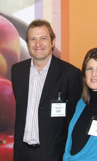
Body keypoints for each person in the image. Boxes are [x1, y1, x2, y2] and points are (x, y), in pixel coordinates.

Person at [11, 19, 82, 161]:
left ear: (53, 42)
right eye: (33, 39)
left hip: (54, 155)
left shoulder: (70, 74)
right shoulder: (17, 71)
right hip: (22, 153)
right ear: (27, 43)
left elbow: (75, 119)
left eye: (43, 38)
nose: (38, 44)